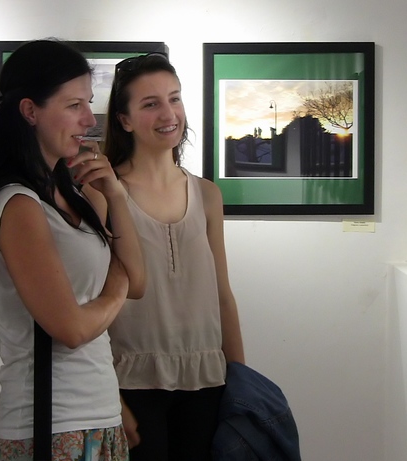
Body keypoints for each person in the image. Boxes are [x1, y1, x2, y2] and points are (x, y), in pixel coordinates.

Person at [0, 39, 145, 461]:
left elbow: (138, 281)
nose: (89, 119)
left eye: (88, 103)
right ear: (30, 111)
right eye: (74, 105)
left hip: (97, 414)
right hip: (48, 426)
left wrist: (115, 195)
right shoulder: (17, 204)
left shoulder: (70, 193)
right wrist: (115, 288)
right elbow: (72, 328)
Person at [103, 53, 246, 461]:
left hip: (207, 378)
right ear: (124, 119)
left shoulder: (207, 193)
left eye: (175, 98)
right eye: (151, 104)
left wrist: (240, 383)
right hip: (131, 381)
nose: (169, 114)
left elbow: (223, 296)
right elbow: (93, 301)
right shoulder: (105, 192)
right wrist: (110, 397)